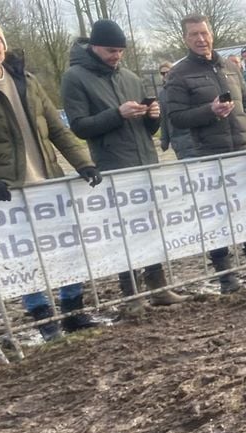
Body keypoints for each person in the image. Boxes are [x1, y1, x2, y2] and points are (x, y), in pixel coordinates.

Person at [61, 18, 186, 311]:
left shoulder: (129, 77)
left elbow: (147, 130)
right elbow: (79, 127)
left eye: (120, 50)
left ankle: (158, 285)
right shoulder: (74, 78)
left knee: (150, 226)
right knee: (123, 232)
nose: (116, 56)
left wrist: (152, 115)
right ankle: (131, 294)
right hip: (114, 165)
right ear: (93, 46)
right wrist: (117, 114)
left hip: (145, 161)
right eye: (110, 50)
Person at [0, 17, 102, 341]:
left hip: (48, 182)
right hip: (9, 190)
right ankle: (44, 319)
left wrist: (84, 163)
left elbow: (56, 128)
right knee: (23, 255)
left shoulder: (27, 80)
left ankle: (73, 311)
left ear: (4, 44)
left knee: (67, 246)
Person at [165, 13, 246, 294]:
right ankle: (226, 275)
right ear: (185, 38)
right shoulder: (178, 74)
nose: (200, 39)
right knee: (216, 216)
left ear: (211, 35)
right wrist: (209, 111)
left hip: (241, 149)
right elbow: (176, 117)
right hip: (208, 154)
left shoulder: (230, 67)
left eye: (204, 33)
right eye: (194, 34)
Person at [158, 61, 194, 159]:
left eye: (168, 72)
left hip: (190, 135)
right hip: (177, 138)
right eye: (162, 73)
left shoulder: (185, 87)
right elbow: (164, 118)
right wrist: (164, 140)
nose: (165, 75)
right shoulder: (162, 94)